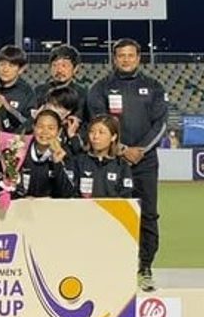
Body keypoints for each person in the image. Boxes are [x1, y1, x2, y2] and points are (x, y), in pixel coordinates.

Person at [87, 38, 168, 291]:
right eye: (121, 55)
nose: (125, 59)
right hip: (111, 160)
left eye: (130, 55)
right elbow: (98, 123)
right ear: (114, 58)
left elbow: (161, 124)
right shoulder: (100, 87)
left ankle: (145, 267)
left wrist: (140, 150)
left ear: (138, 58)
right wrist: (121, 149)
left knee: (148, 214)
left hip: (145, 162)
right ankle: (108, 265)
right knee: (109, 212)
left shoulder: (153, 87)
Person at [71, 115, 133, 199]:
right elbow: (71, 192)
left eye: (101, 132)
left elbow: (126, 196)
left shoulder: (121, 166)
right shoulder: (79, 162)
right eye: (92, 132)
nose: (95, 136)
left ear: (113, 137)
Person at [17, 109, 74, 199]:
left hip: (52, 207)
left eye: (51, 128)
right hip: (24, 205)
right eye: (40, 126)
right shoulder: (21, 150)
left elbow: (68, 193)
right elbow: (11, 186)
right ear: (33, 128)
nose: (45, 132)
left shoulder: (65, 154)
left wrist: (58, 164)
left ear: (59, 131)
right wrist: (22, 197)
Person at [0, 45, 36, 133]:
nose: (5, 69)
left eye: (11, 65)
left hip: (14, 138)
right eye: (2, 64)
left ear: (20, 69)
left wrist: (8, 108)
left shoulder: (27, 92)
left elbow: (30, 124)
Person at [34, 45, 88, 123]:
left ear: (75, 68)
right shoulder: (39, 91)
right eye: (55, 65)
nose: (59, 70)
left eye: (64, 65)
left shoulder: (82, 95)